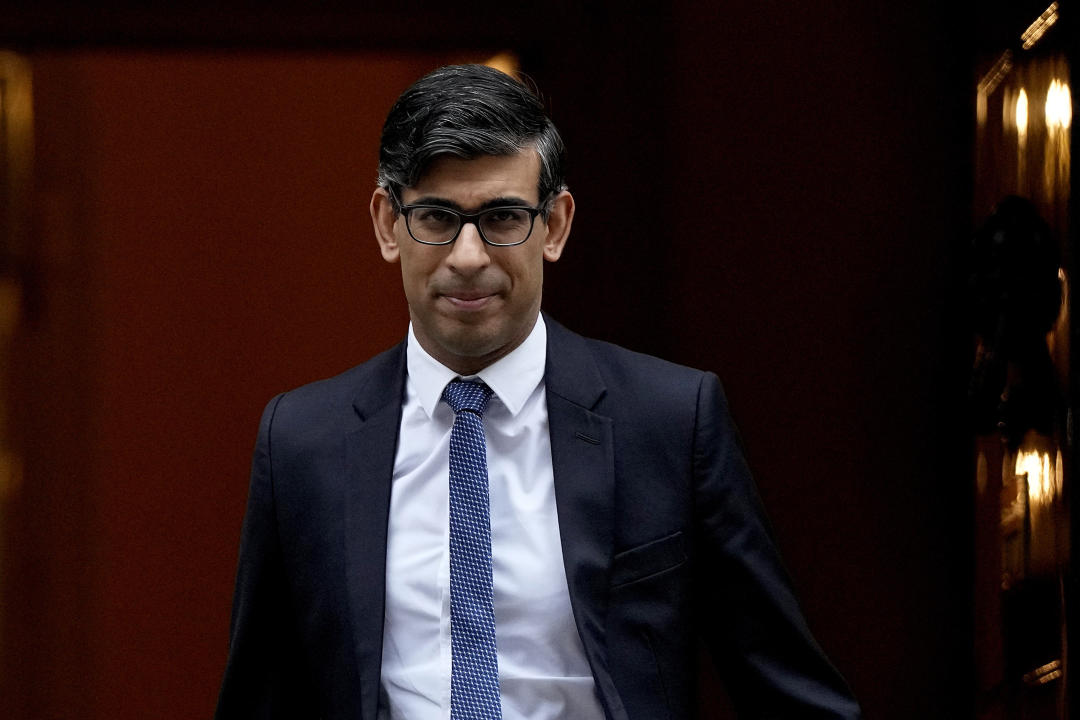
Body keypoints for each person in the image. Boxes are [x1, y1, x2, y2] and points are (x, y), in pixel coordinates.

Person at [215, 64, 861, 720]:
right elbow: (259, 698)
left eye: (501, 217)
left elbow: (787, 688)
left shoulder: (668, 421)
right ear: (388, 223)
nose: (467, 256)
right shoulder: (303, 441)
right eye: (437, 217)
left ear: (555, 224)